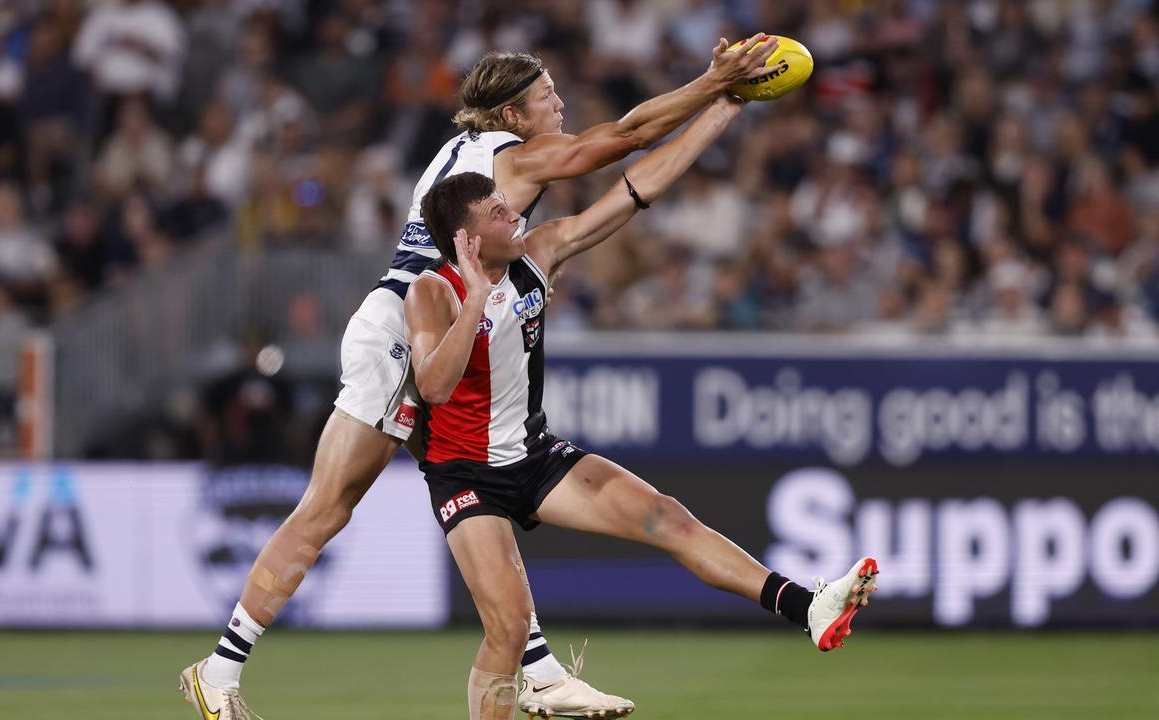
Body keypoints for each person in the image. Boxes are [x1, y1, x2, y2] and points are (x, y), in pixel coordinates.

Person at [179, 36, 784, 720]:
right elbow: (624, 138)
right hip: (408, 332)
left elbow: (621, 171)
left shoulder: (466, 155)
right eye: (546, 95)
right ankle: (219, 672)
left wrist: (719, 102)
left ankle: (543, 672)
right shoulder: (511, 159)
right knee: (328, 505)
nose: (560, 102)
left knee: (478, 483)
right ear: (512, 114)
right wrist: (712, 83)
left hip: (419, 324)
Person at [404, 95, 878, 720]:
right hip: (465, 474)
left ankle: (806, 607)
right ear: (467, 238)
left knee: (666, 517)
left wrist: (725, 109)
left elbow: (631, 192)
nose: (514, 210)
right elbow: (434, 387)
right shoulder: (432, 292)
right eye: (498, 210)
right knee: (509, 629)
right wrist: (476, 301)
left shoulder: (537, 254)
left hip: (534, 455)